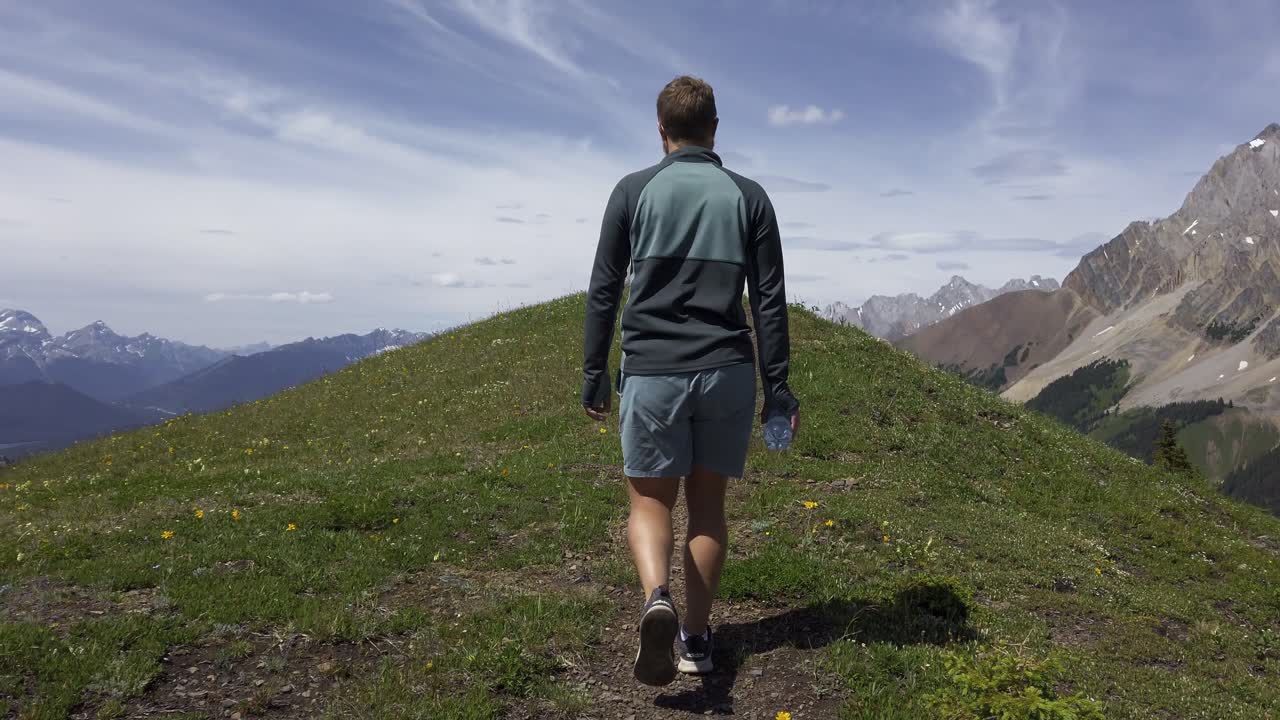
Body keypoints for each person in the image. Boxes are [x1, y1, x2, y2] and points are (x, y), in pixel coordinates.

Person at [581, 75, 799, 686]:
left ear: (661, 131)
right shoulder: (748, 196)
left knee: (650, 502)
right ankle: (697, 642)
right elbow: (771, 303)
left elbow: (604, 289)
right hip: (727, 371)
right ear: (715, 128)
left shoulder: (632, 191)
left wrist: (595, 373)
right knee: (708, 510)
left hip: (651, 372)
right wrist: (778, 390)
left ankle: (656, 597)